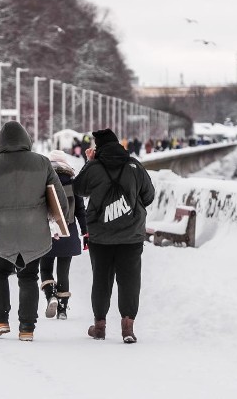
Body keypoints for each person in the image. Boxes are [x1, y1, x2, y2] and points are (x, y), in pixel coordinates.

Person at [0, 121, 68, 342]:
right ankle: (27, 328)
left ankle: (0, 320)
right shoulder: (42, 163)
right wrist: (60, 223)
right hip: (34, 234)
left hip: (1, 233)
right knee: (29, 277)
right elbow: (59, 199)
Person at [73, 128, 155, 343]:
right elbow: (148, 195)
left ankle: (99, 326)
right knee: (130, 281)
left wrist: (90, 162)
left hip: (100, 235)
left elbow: (79, 189)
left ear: (97, 148)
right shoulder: (134, 166)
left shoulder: (95, 167)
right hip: (131, 235)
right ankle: (127, 327)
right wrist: (129, 209)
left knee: (101, 280)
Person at [40, 150, 87, 320]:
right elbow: (81, 211)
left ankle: (50, 295)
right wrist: (85, 232)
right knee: (63, 272)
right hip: (69, 231)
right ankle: (62, 310)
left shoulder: (43, 182)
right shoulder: (74, 184)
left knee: (45, 268)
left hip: (47, 231)